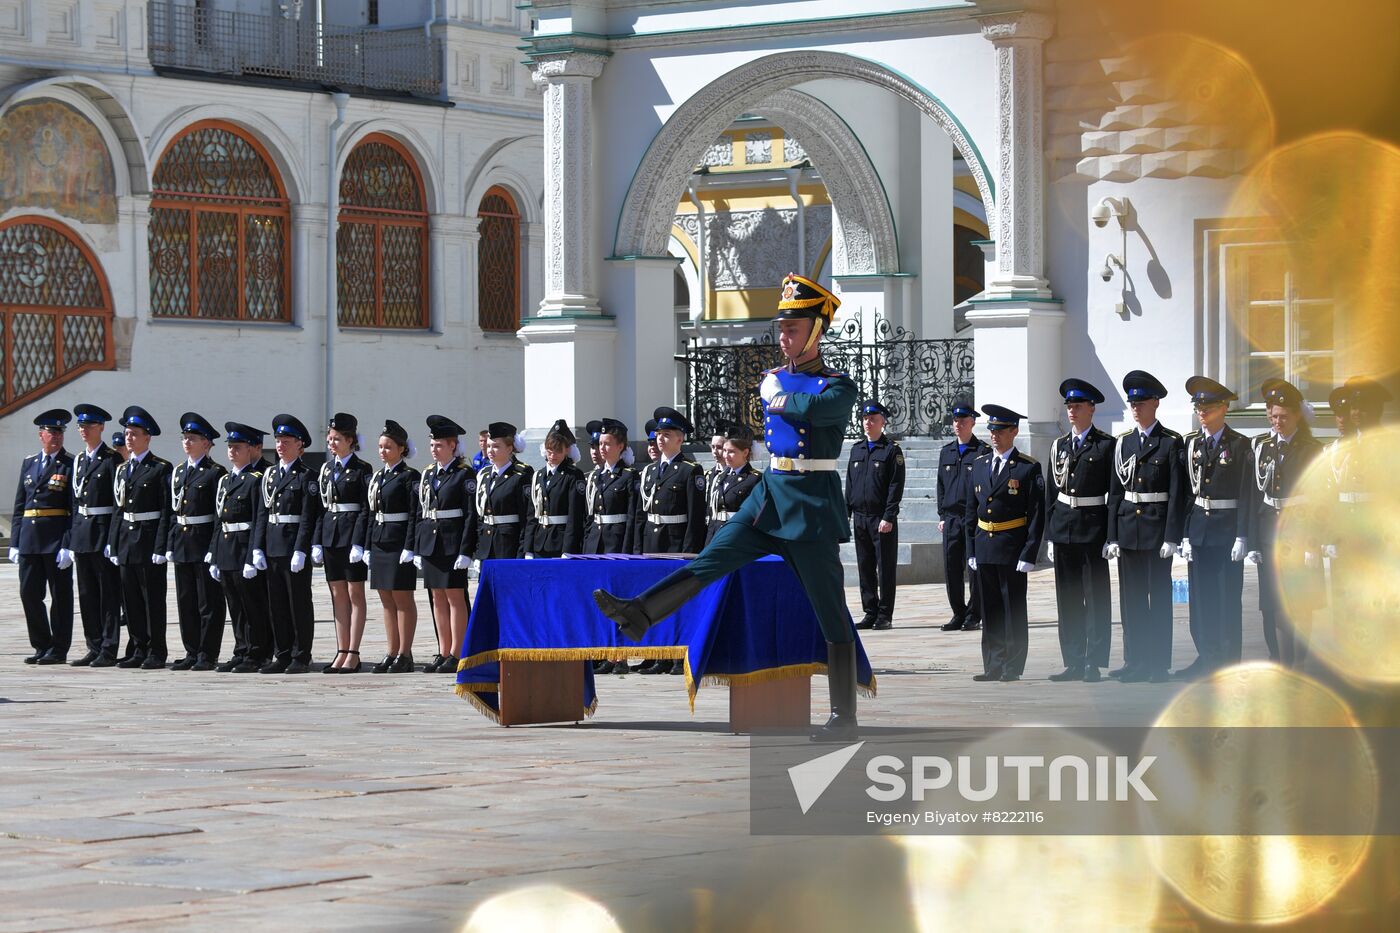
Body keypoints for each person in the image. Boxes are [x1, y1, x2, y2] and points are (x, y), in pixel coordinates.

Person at [595, 273, 863, 737]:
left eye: (793, 329)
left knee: (830, 610)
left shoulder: (840, 387)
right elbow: (781, 400)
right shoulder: (773, 379)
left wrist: (785, 398)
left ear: (816, 331)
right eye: (781, 328)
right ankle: (640, 613)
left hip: (812, 506)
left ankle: (844, 714)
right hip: (771, 495)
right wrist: (785, 397)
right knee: (712, 558)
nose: (783, 337)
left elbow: (810, 408)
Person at [1104, 371, 1186, 683]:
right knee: (1131, 600)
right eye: (1132, 403)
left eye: (1141, 402)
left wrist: (1172, 536)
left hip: (1155, 531)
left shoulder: (1170, 443)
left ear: (1156, 403)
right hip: (1128, 530)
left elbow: (1177, 493)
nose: (1135, 408)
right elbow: (1114, 493)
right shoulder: (1123, 443)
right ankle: (1134, 659)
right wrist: (1112, 535)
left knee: (1159, 600)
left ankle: (1157, 663)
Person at [1174, 377, 1254, 680]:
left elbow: (1246, 493)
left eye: (1207, 406)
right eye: (1198, 406)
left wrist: (1243, 535)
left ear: (1224, 408)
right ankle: (1206, 656)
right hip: (1199, 531)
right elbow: (1186, 493)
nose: (1201, 412)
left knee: (1226, 598)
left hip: (1226, 531)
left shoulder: (1239, 445)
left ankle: (1228, 660)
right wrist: (1184, 533)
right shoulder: (1192, 443)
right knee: (1200, 599)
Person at [964, 405, 1045, 683]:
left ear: (1014, 431)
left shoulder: (1026, 467)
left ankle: (1012, 665)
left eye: (1000, 430)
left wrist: (1030, 551)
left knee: (1013, 609)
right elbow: (970, 512)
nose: (994, 435)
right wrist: (971, 549)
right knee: (990, 609)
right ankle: (993, 664)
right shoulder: (979, 464)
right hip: (985, 546)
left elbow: (1036, 514)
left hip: (1012, 547)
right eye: (992, 430)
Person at [1247, 379, 1322, 669]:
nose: (1278, 422)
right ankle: (1281, 661)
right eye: (1274, 416)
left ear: (1297, 416)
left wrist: (1314, 542)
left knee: (1300, 603)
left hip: (1300, 534)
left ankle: (1299, 662)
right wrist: (1252, 541)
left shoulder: (1311, 449)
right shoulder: (1263, 448)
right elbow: (1255, 498)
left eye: (1284, 417)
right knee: (1275, 602)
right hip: (1270, 533)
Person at [1044, 379, 1115, 683]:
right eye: (1069, 406)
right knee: (1068, 598)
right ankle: (1072, 659)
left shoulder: (1105, 445)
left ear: (1091, 409)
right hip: (1063, 529)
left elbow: (1114, 494)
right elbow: (1050, 492)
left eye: (1077, 406)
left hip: (1092, 528)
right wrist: (1049, 533)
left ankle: (1093, 662)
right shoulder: (1059, 445)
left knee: (1095, 597)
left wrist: (1111, 536)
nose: (1071, 411)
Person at [631, 406, 706, 675]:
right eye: (659, 434)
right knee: (651, 598)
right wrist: (638, 548)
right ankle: (655, 653)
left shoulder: (690, 470)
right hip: (652, 542)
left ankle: (677, 655)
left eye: (667, 434)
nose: (660, 439)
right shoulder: (650, 471)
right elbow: (641, 514)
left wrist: (688, 551)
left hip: (676, 543)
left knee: (674, 599)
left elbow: (695, 517)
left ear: (680, 438)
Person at [252, 414, 321, 674]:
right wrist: (257, 547)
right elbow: (262, 513)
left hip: (293, 546)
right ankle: (281, 654)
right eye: (278, 440)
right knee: (277, 604)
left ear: (300, 445)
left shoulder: (307, 476)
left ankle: (301, 655)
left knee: (298, 603)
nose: (280, 445)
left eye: (286, 440)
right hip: (272, 544)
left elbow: (307, 517)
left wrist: (301, 549)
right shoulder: (269, 475)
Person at [108, 406, 173, 669]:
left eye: (134, 434)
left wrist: (161, 546)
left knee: (152, 600)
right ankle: (137, 647)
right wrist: (113, 542)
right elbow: (118, 509)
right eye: (127, 434)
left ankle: (156, 651)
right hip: (126, 539)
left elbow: (166, 510)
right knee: (131, 599)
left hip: (148, 539)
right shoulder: (123, 469)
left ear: (147, 437)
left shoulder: (160, 468)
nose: (129, 438)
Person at [11, 408, 75, 665]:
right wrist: (15, 542)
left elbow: (73, 508)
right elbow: (19, 505)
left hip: (55, 538)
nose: (56, 436)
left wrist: (68, 544)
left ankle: (59, 649)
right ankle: (41, 644)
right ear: (41, 435)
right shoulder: (30, 463)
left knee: (60, 596)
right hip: (29, 538)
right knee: (29, 593)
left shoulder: (70, 464)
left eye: (59, 432)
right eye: (51, 432)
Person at [167, 413, 228, 671]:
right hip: (182, 541)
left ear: (207, 443)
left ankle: (207, 652)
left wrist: (214, 548)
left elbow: (218, 514)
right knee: (186, 601)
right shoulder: (179, 471)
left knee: (208, 602)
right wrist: (169, 544)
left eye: (193, 438)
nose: (187, 442)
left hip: (203, 541)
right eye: (185, 438)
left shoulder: (215, 473)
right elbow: (174, 510)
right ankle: (191, 650)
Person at [415, 415, 476, 674]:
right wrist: (418, 546)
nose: (434, 449)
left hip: (452, 543)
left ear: (453, 445)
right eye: (432, 445)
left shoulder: (464, 474)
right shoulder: (429, 473)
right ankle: (443, 650)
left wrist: (465, 550)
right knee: (436, 596)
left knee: (454, 596)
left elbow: (471, 514)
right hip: (431, 542)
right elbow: (423, 510)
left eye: (439, 445)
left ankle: (458, 652)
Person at [210, 422, 272, 673]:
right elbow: (219, 518)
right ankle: (241, 649)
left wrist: (253, 554)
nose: (232, 451)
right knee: (234, 604)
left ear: (250, 450)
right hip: (226, 546)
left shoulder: (255, 480)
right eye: (230, 447)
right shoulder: (226, 480)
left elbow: (259, 518)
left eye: (238, 447)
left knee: (252, 604)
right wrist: (213, 553)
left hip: (244, 546)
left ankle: (257, 651)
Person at [314, 413, 372, 674]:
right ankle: (341, 648)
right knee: (337, 594)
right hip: (330, 535)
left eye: (337, 439)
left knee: (354, 593)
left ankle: (353, 652)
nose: (332, 443)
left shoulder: (362, 469)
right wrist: (317, 542)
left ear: (350, 440)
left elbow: (364, 509)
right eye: (330, 439)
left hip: (350, 536)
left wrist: (359, 543)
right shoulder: (327, 469)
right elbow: (321, 508)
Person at [68, 404, 122, 667]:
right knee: (87, 593)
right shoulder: (79, 460)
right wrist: (69, 540)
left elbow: (117, 503)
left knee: (107, 594)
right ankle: (93, 644)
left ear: (101, 428)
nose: (84, 430)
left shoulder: (112, 460)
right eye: (81, 426)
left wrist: (113, 539)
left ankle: (109, 648)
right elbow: (73, 503)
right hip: (81, 533)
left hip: (101, 531)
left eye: (89, 426)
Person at [845, 399, 905, 631]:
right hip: (860, 516)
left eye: (873, 419)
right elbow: (850, 484)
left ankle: (885, 614)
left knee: (885, 567)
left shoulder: (891, 450)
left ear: (883, 422)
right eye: (865, 419)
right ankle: (870, 610)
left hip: (881, 518)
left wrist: (889, 516)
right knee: (865, 565)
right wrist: (846, 512)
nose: (868, 423)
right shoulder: (857, 449)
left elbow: (895, 485)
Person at [366, 420, 420, 674]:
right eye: (380, 447)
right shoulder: (378, 476)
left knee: (402, 598)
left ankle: (405, 653)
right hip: (380, 540)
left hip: (398, 541)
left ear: (401, 449)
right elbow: (371, 512)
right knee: (386, 599)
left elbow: (413, 514)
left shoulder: (409, 476)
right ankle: (391, 650)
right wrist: (367, 544)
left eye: (388, 447)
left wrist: (410, 546)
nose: (383, 451)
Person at [936, 402, 988, 632]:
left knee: (973, 568)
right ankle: (958, 611)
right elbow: (940, 486)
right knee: (951, 567)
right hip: (951, 519)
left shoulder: (982, 451)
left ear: (973, 423)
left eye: (963, 421)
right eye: (956, 421)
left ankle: (974, 613)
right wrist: (942, 515)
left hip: (973, 519)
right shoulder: (946, 451)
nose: (958, 425)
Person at [469, 421, 534, 564]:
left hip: (509, 545)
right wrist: (478, 550)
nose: (490, 450)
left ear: (510, 449)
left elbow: (527, 518)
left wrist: (525, 549)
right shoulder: (484, 475)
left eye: (496, 446)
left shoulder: (520, 476)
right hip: (486, 546)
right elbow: (480, 516)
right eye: (489, 446)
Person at [525, 420, 586, 558]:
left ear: (567, 450)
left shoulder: (573, 475)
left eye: (558, 451)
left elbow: (574, 515)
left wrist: (568, 549)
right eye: (549, 450)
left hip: (561, 542)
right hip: (539, 541)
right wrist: (528, 548)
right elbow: (532, 515)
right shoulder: (539, 475)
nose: (552, 455)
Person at [705, 420, 761, 546]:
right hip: (715, 537)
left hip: (738, 540)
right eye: (725, 450)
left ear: (745, 453)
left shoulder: (754, 479)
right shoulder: (720, 477)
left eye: (731, 452)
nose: (726, 455)